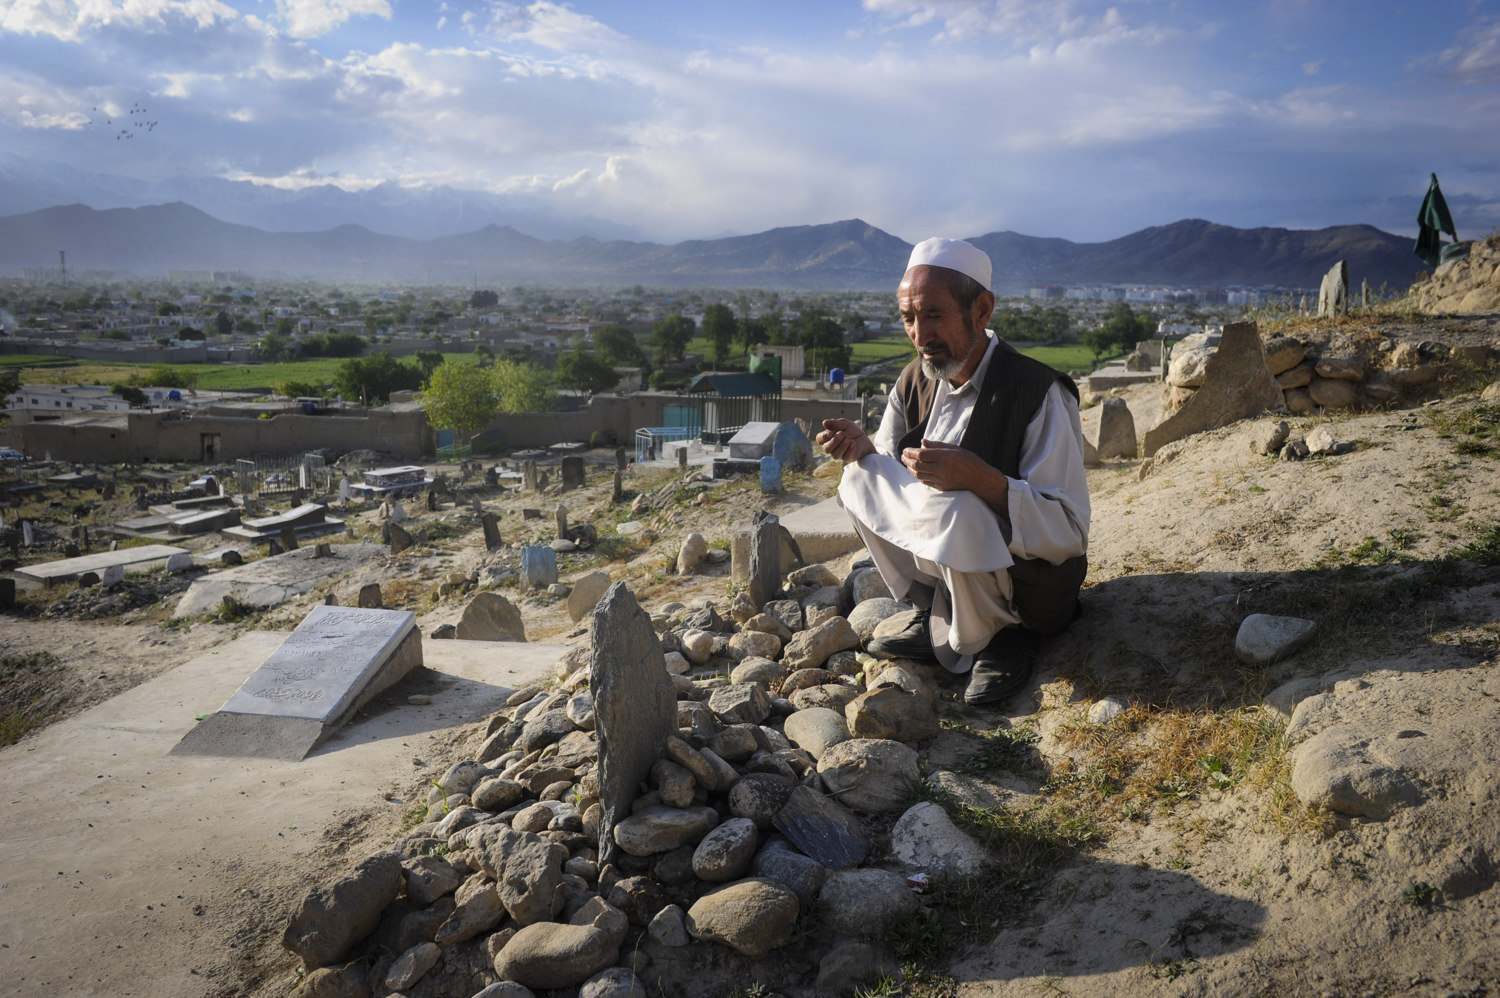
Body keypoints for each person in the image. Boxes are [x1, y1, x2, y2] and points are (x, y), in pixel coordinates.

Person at [816, 237, 1090, 705]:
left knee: (958, 504)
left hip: (1033, 591)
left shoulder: (1038, 393)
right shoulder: (914, 380)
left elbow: (1067, 531)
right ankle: (937, 611)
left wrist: (982, 481)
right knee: (861, 477)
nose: (920, 335)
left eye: (934, 315)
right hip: (954, 561)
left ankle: (1000, 637)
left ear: (981, 310)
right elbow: (890, 477)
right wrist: (863, 450)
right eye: (909, 319)